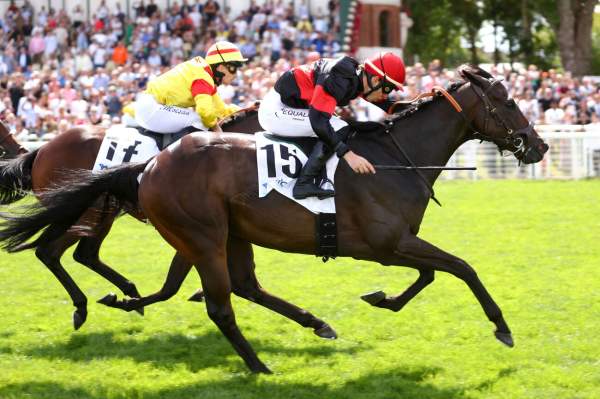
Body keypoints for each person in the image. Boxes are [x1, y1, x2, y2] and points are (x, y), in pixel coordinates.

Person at [258, 52, 405, 199]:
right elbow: (318, 122)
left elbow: (387, 105)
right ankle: (304, 183)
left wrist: (420, 104)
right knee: (339, 126)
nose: (387, 95)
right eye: (388, 89)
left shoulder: (357, 77)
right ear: (376, 79)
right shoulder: (339, 78)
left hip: (292, 106)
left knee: (349, 125)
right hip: (275, 111)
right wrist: (349, 156)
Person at [128, 41, 247, 135]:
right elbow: (205, 112)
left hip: (150, 106)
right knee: (200, 121)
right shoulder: (202, 78)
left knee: (200, 120)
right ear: (221, 67)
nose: (236, 74)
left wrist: (248, 110)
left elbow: (221, 110)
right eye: (233, 68)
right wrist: (215, 127)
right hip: (152, 108)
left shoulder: (204, 75)